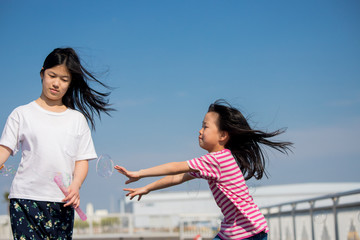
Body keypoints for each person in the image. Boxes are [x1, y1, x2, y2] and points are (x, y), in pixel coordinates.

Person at [115, 100, 293, 240]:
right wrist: (147, 188)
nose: (199, 131)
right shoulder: (212, 163)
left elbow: (175, 167)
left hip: (248, 232)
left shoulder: (218, 159)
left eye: (205, 127)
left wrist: (139, 173)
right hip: (233, 230)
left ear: (223, 135)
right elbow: (177, 177)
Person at [0, 47, 113, 239]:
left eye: (64, 79)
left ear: (70, 83)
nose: (56, 83)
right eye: (52, 75)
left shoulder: (77, 119)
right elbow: (4, 150)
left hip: (62, 202)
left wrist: (75, 186)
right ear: (42, 73)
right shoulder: (21, 114)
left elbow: (82, 160)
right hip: (25, 200)